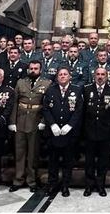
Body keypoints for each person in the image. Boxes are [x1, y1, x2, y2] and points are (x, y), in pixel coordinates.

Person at [9, 60, 51, 193]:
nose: (33, 70)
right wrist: (12, 121)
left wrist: (44, 121)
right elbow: (14, 102)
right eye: (31, 68)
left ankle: (32, 181)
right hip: (21, 120)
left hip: (36, 121)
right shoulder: (21, 82)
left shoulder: (47, 83)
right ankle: (18, 180)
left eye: (36, 68)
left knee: (33, 153)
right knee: (19, 152)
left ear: (40, 70)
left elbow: (47, 105)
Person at [42, 67, 83, 196]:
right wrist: (52, 124)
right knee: (53, 161)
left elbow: (79, 110)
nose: (63, 76)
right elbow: (46, 109)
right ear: (57, 77)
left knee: (68, 161)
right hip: (54, 133)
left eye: (65, 74)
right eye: (60, 74)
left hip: (69, 133)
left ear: (70, 76)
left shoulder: (76, 90)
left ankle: (65, 185)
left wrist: (70, 125)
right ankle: (52, 184)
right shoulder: (51, 90)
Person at [82, 67, 110, 197]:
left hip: (105, 132)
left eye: (103, 74)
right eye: (98, 74)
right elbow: (83, 112)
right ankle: (89, 185)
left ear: (107, 76)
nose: (100, 76)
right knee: (89, 161)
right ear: (94, 75)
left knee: (103, 161)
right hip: (90, 131)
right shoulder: (86, 89)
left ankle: (100, 185)